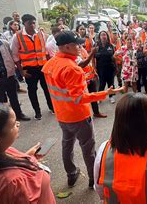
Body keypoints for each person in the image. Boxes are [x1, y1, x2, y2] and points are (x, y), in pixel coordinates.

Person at [43, 30, 123, 188]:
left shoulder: (51, 63)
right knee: (88, 149)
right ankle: (95, 178)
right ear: (66, 47)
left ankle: (71, 174)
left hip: (62, 115)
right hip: (78, 116)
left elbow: (61, 89)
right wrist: (105, 93)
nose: (80, 46)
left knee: (67, 145)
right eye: (76, 44)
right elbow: (79, 98)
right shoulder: (72, 69)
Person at [11, 14, 53, 120]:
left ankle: (52, 107)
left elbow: (46, 52)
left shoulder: (41, 34)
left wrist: (49, 66)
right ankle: (37, 111)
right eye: (30, 23)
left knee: (47, 89)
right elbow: (15, 56)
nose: (33, 25)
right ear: (24, 23)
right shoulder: (17, 36)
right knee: (32, 90)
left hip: (43, 67)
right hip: (29, 69)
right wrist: (21, 72)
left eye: (34, 23)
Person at [94, 30, 117, 104]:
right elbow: (93, 58)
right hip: (100, 68)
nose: (103, 36)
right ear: (99, 37)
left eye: (104, 35)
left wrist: (116, 67)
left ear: (107, 36)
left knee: (111, 83)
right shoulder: (96, 46)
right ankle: (99, 97)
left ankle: (111, 96)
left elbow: (114, 57)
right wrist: (94, 68)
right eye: (102, 35)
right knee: (102, 83)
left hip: (110, 67)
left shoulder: (111, 46)